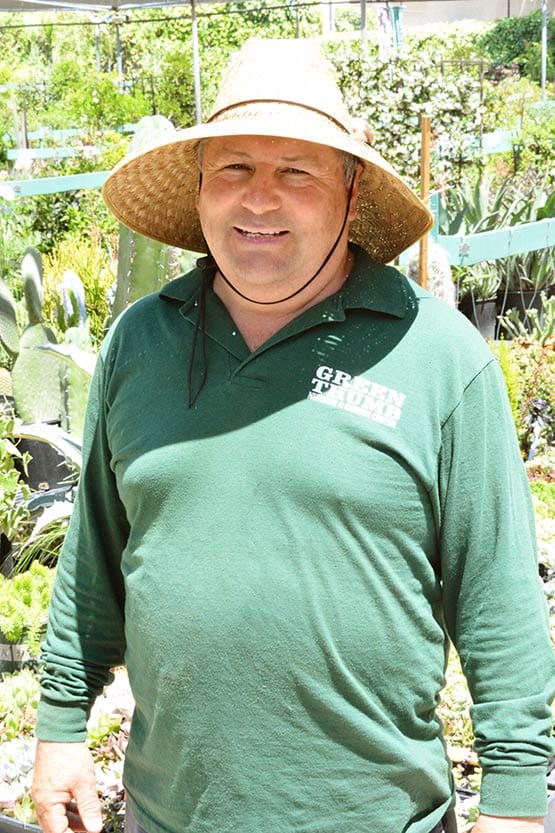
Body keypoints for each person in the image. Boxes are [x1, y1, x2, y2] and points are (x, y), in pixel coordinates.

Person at [32, 37, 554, 833]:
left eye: (296, 172)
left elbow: (499, 596)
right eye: (233, 168)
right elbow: (94, 556)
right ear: (201, 189)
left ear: (351, 194)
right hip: (170, 815)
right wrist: (62, 727)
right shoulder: (140, 341)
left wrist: (518, 802)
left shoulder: (438, 357)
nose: (258, 200)